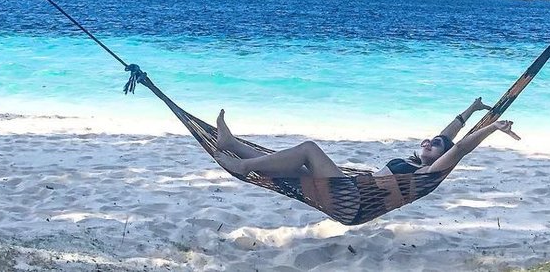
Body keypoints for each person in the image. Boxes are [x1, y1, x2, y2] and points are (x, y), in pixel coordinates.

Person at [211, 98, 520, 224]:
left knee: (308, 149)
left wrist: (492, 127)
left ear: (441, 157)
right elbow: (448, 135)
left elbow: (459, 147)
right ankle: (232, 145)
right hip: (348, 191)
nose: (429, 142)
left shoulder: (426, 174)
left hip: (353, 202)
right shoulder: (416, 162)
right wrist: (471, 110)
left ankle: (244, 166)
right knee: (292, 168)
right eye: (428, 140)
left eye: (435, 145)